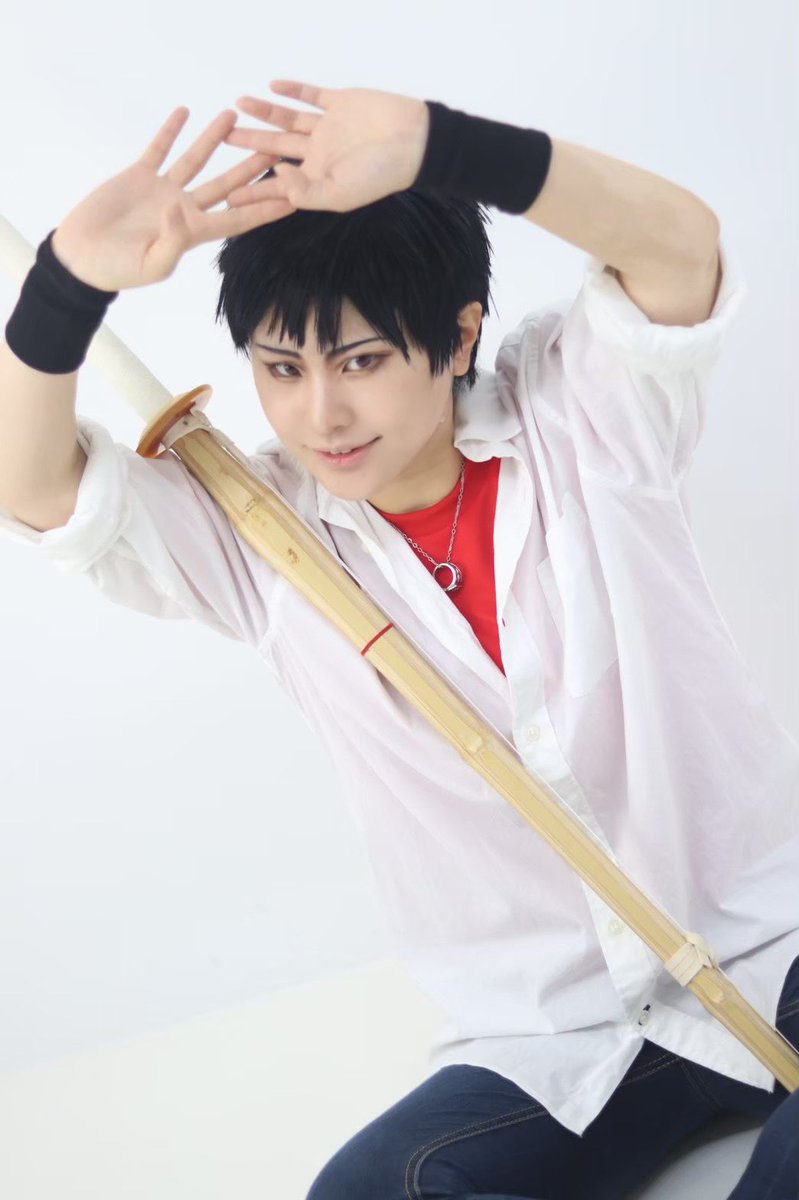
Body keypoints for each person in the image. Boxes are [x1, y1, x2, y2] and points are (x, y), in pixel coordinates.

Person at [1, 87, 797, 1199]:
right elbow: (37, 491)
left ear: (459, 334)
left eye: (362, 360)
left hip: (771, 944)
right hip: (558, 1037)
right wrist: (65, 287)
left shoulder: (582, 414)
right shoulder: (258, 541)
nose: (321, 415)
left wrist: (442, 144)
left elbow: (680, 247)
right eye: (283, 370)